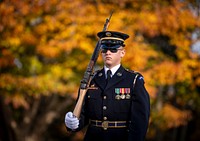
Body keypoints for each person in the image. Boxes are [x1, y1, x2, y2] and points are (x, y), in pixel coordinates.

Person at [65, 31, 150, 141]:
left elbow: (140, 121)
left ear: (122, 53)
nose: (108, 52)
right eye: (104, 49)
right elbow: (83, 115)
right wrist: (72, 122)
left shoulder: (133, 80)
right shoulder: (92, 79)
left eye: (113, 49)